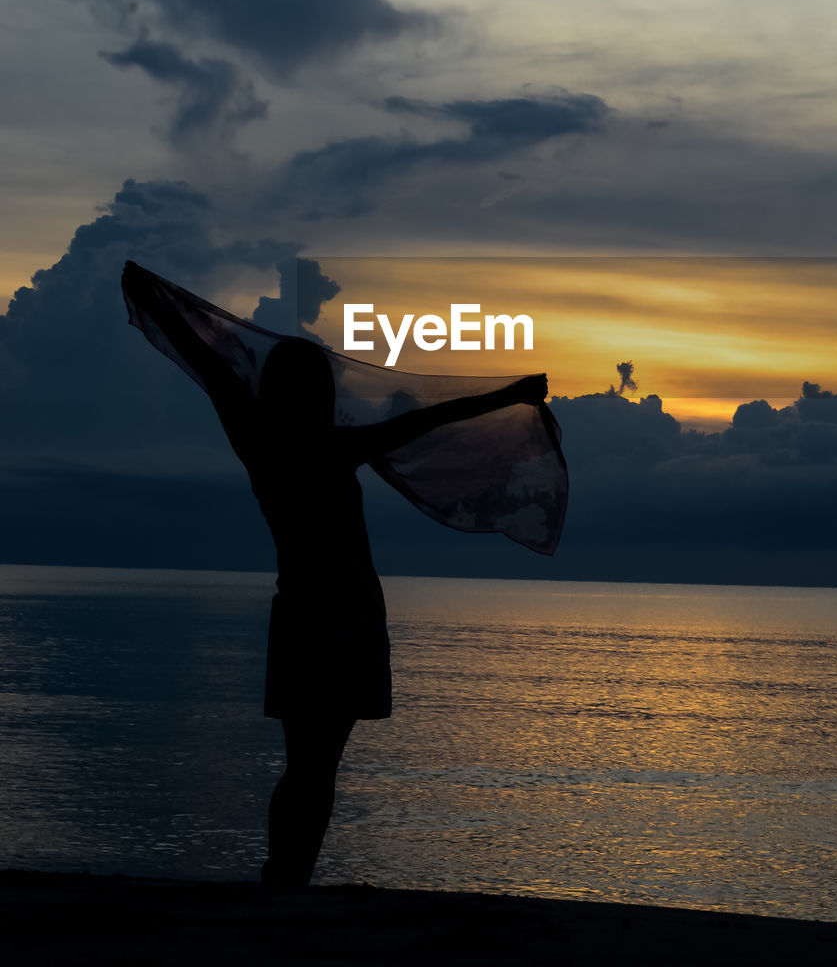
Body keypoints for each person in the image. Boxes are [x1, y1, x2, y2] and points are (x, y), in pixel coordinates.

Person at [121, 261, 549, 890]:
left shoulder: (263, 440)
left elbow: (210, 365)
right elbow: (423, 422)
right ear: (316, 393)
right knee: (318, 766)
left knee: (305, 763)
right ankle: (289, 875)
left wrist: (154, 301)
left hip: (304, 611)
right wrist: (509, 395)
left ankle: (285, 874)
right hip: (342, 615)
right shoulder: (323, 446)